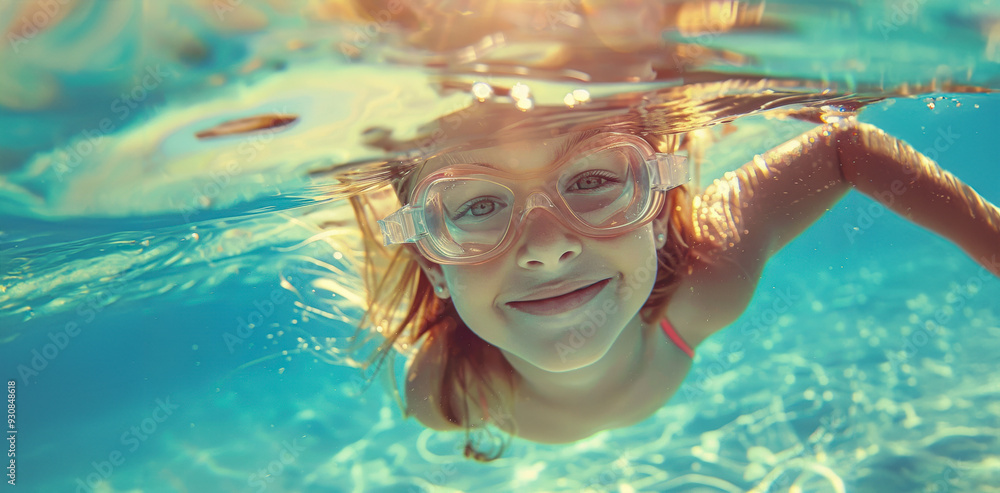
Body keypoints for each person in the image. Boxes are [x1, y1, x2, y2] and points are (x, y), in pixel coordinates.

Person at [340, 104, 1000, 461]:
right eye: (476, 206)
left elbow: (841, 148)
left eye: (595, 180)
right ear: (433, 261)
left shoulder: (704, 282)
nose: (547, 247)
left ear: (656, 211)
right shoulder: (442, 390)